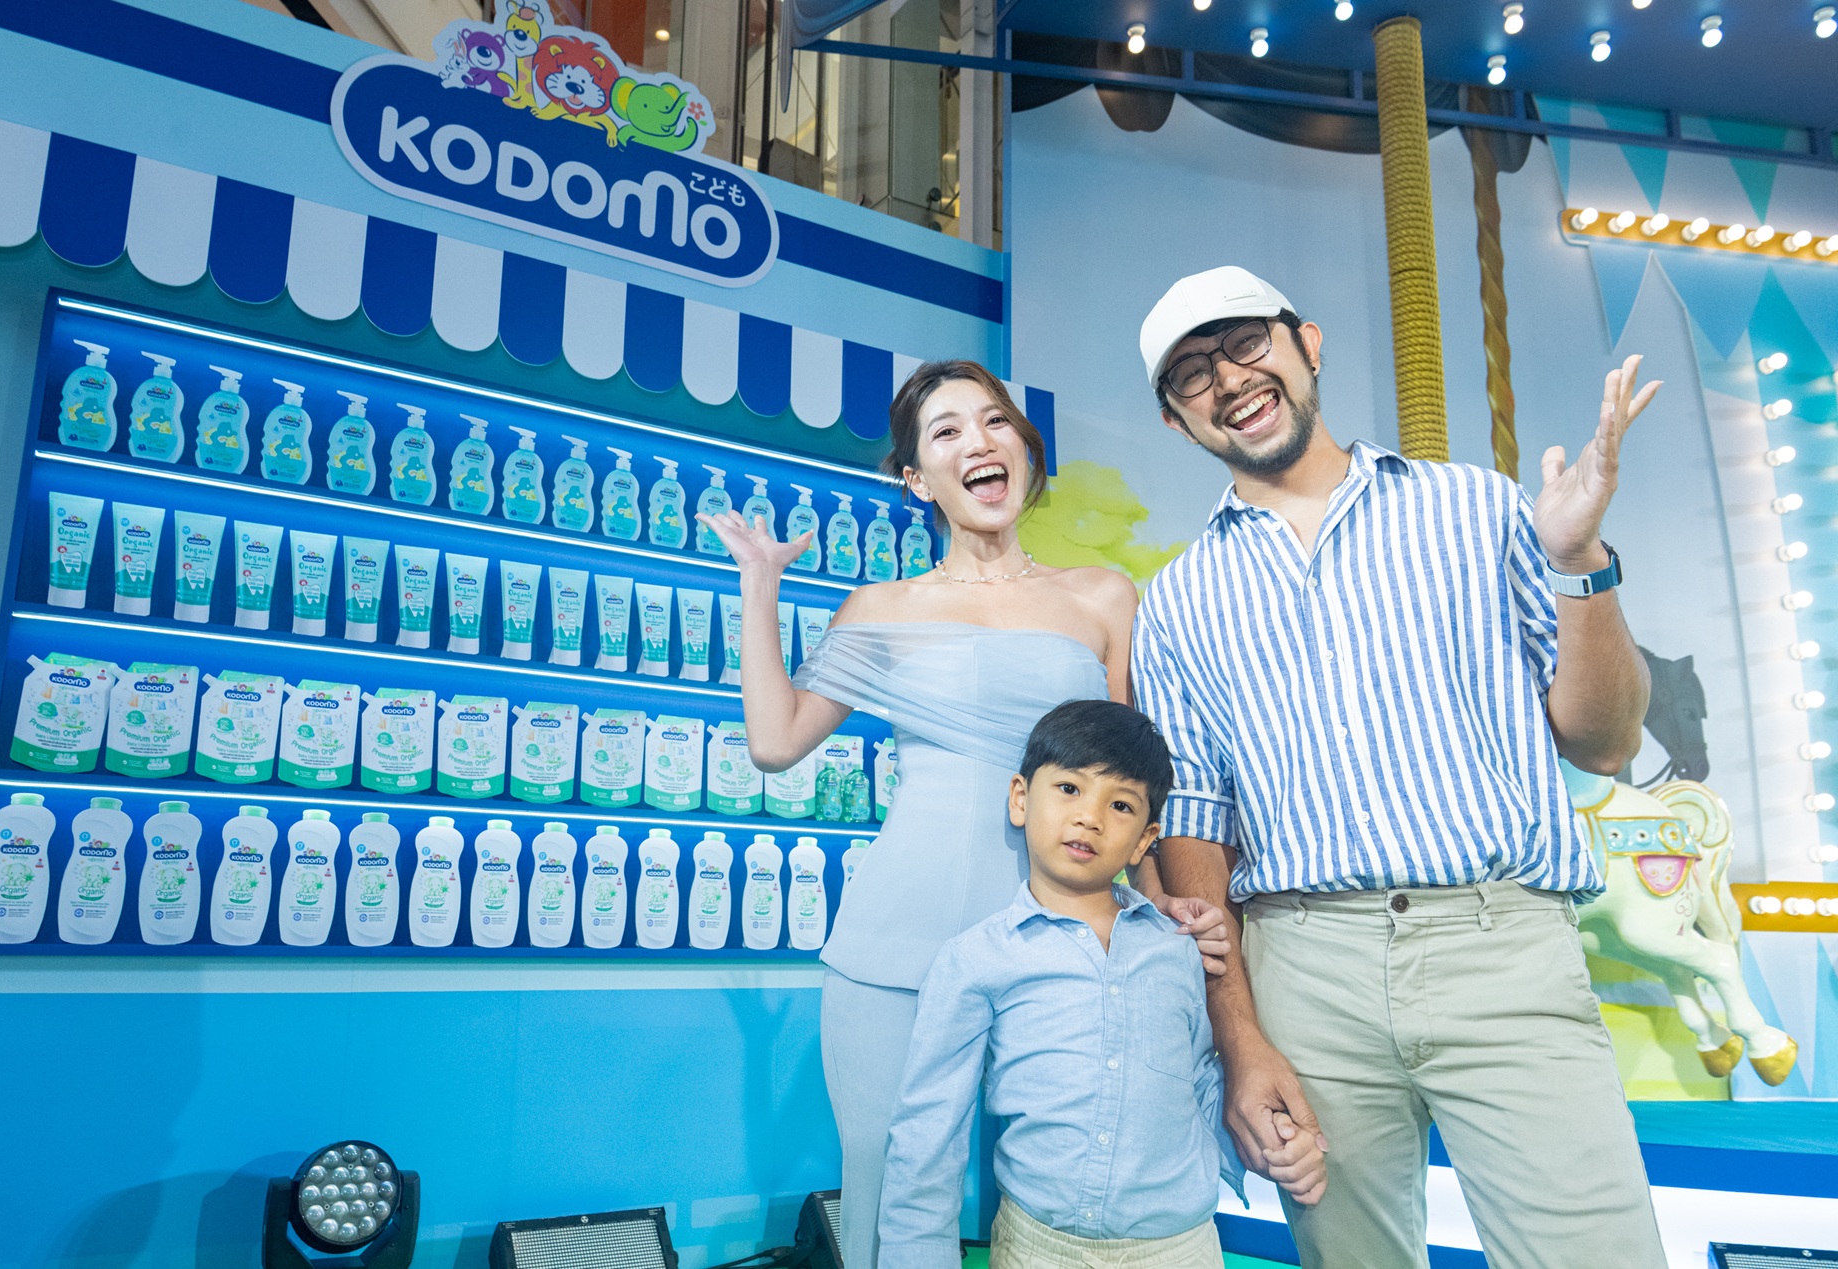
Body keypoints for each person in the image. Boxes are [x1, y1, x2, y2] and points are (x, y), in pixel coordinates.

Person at [1129, 265, 1666, 1269]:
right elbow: (1194, 822)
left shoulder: (1477, 508)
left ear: (1307, 343)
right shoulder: (1176, 600)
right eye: (1191, 373)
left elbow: (1603, 740)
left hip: (1501, 943)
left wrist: (1576, 561)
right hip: (1299, 970)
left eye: (1245, 343)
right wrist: (1240, 1038)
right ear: (1174, 419)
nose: (1228, 379)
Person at [698, 361, 1229, 1269]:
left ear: (1022, 448)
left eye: (995, 421)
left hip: (1064, 938)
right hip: (898, 937)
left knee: (1077, 1173)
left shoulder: (1103, 596)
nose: (978, 441)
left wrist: (1156, 900)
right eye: (946, 431)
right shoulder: (881, 607)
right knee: (891, 1180)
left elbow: (1127, 775)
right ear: (917, 478)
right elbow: (776, 740)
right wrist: (758, 587)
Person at [878, 699, 1325, 1269]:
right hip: (1037, 1248)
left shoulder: (1178, 949)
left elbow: (1198, 1084)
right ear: (1021, 798)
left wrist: (1276, 1141)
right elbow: (928, 1134)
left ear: (1144, 839)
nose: (1090, 817)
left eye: (1120, 805)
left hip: (1180, 1248)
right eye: (1069, 788)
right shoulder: (975, 960)